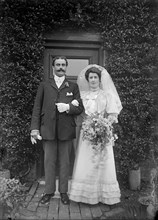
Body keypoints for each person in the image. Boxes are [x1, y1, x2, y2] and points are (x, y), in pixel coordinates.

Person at [30, 56, 84, 205]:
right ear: (53, 67)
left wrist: (68, 107)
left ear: (66, 67)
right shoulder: (44, 85)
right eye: (58, 65)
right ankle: (48, 192)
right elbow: (37, 108)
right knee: (49, 162)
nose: (60, 67)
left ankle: (64, 192)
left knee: (65, 163)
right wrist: (34, 129)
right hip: (47, 129)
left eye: (63, 65)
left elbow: (80, 108)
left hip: (66, 131)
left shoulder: (73, 87)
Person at [69, 64, 123, 205]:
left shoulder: (107, 96)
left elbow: (112, 115)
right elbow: (79, 113)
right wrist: (89, 126)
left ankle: (104, 196)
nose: (93, 80)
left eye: (95, 77)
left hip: (103, 134)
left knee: (103, 164)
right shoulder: (83, 96)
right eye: (91, 77)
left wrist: (103, 124)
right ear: (87, 80)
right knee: (87, 163)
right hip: (87, 134)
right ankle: (85, 196)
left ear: (100, 80)